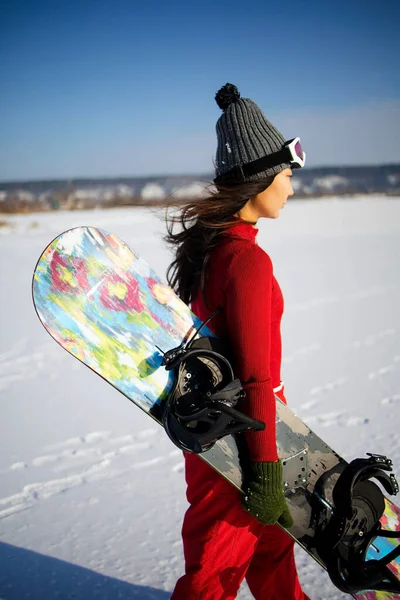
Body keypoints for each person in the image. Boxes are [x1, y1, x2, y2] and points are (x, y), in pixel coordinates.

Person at [165, 83, 311, 600]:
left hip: (228, 433)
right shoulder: (247, 261)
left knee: (273, 559)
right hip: (245, 446)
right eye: (288, 173)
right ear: (261, 178)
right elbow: (256, 377)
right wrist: (266, 468)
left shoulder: (214, 250)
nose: (292, 184)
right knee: (212, 578)